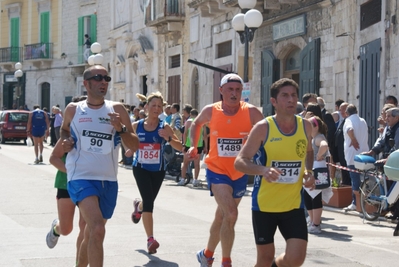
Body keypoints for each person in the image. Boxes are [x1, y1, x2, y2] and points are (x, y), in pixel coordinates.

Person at [60, 65, 139, 267]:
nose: (103, 82)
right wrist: (66, 141)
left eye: (106, 78)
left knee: (92, 232)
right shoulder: (74, 109)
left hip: (108, 180)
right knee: (96, 229)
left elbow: (135, 145)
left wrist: (120, 129)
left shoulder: (117, 109)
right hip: (81, 177)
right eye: (98, 78)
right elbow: (64, 130)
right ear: (86, 83)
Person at [234, 78, 315, 267]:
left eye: (293, 95)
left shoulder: (305, 126)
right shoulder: (263, 128)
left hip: (293, 205)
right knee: (263, 259)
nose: (291, 100)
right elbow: (240, 161)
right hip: (265, 206)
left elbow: (309, 152)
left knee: (296, 259)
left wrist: (308, 172)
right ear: (274, 101)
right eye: (285, 95)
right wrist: (262, 170)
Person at [187, 73, 264, 267]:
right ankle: (226, 261)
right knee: (231, 214)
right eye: (230, 89)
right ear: (221, 91)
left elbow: (268, 131)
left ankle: (206, 254)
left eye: (238, 90)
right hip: (216, 170)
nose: (234, 93)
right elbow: (196, 123)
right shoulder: (211, 111)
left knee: (222, 216)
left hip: (239, 172)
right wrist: (193, 146)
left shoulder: (252, 112)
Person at [127, 92, 183, 254]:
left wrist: (169, 138)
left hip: (158, 170)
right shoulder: (137, 125)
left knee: (148, 200)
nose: (156, 109)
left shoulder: (164, 127)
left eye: (159, 106)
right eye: (153, 106)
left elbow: (180, 147)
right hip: (141, 168)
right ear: (146, 107)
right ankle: (150, 239)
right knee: (150, 203)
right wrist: (129, 149)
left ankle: (139, 207)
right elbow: (126, 139)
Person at [47, 101, 86, 266]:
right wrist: (71, 172)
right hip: (66, 184)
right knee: (66, 229)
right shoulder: (67, 136)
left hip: (87, 185)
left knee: (85, 229)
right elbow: (53, 158)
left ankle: (79, 263)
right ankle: (56, 228)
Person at [304, 116, 329, 234]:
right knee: (308, 196)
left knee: (315, 197)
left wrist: (319, 154)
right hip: (313, 169)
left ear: (315, 126)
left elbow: (324, 145)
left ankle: (316, 223)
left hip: (318, 169)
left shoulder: (319, 137)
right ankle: (313, 221)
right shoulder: (313, 138)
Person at [342, 104, 369, 211]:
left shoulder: (348, 120)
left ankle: (355, 203)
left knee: (355, 178)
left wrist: (353, 140)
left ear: (347, 113)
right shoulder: (363, 120)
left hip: (353, 154)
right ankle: (363, 202)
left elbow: (349, 130)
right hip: (364, 153)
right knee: (364, 178)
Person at [178, 109, 207, 187]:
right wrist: (206, 147)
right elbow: (204, 136)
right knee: (196, 164)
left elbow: (185, 133)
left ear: (190, 114)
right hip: (199, 145)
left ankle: (182, 179)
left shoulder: (188, 121)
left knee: (185, 163)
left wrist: (183, 144)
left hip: (189, 144)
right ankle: (195, 180)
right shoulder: (202, 122)